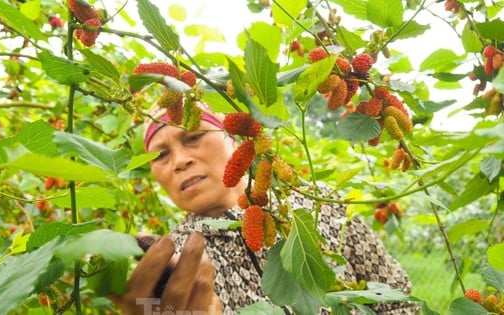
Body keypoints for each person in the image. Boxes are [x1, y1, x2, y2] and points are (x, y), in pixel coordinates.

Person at [114, 103, 420, 314]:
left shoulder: (319, 206)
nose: (180, 160)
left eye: (193, 137)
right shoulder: (175, 264)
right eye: (161, 155)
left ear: (232, 140)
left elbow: (397, 299)